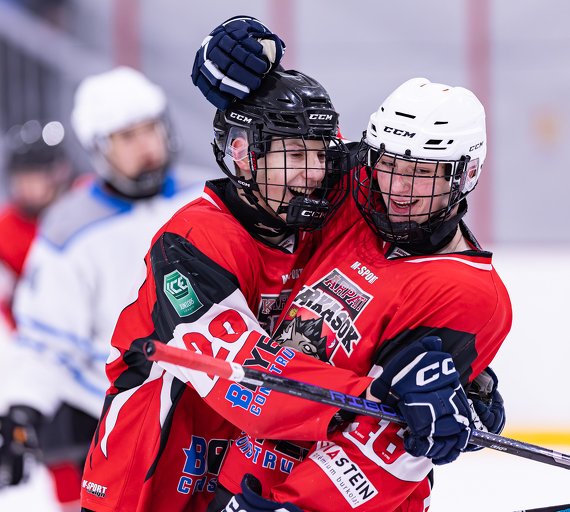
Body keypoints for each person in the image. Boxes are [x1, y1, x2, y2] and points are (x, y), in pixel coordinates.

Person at [191, 21, 511, 512]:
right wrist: (245, 72)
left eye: (421, 173)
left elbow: (387, 443)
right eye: (389, 165)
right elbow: (292, 146)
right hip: (242, 477)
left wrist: (298, 506)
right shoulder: (358, 201)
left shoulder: (468, 292)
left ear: (464, 174)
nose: (398, 188)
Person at [78, 65, 381, 512]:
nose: (316, 173)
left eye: (321, 155)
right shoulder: (193, 240)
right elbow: (243, 373)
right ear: (243, 154)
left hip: (238, 473)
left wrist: (456, 372)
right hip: (148, 479)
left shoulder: (304, 224)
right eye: (296, 155)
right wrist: (372, 396)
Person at [0, 66, 199, 510]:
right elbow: (47, 341)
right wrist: (20, 411)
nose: (146, 145)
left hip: (214, 413)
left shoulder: (206, 198)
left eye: (150, 129)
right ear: (100, 148)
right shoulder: (69, 230)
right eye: (127, 136)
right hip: (117, 423)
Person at [0, 121, 71, 329]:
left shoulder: (83, 211)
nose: (25, 187)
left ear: (57, 174)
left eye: (33, 177)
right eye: (20, 178)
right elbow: (5, 293)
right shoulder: (2, 228)